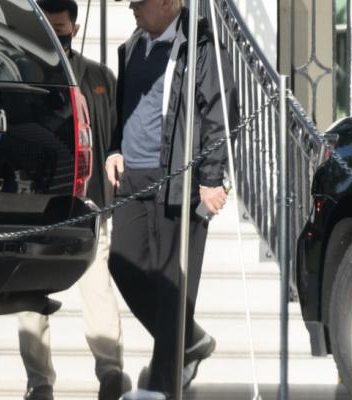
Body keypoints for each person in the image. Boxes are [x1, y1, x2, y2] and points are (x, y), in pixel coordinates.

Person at [105, 0, 239, 397]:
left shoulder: (200, 46)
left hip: (178, 178)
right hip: (132, 177)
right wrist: (114, 149)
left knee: (172, 287)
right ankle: (191, 340)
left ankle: (162, 385)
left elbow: (218, 113)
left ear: (167, 2)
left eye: (139, 2)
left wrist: (211, 178)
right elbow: (123, 107)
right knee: (122, 263)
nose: (132, 7)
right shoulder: (132, 46)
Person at [17, 1, 130, 399]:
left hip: (89, 202)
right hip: (33, 203)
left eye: (60, 28)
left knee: (97, 288)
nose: (54, 35)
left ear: (75, 29)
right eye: (46, 27)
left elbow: (117, 135)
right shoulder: (21, 72)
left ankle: (111, 372)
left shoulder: (100, 77)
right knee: (28, 296)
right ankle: (39, 383)